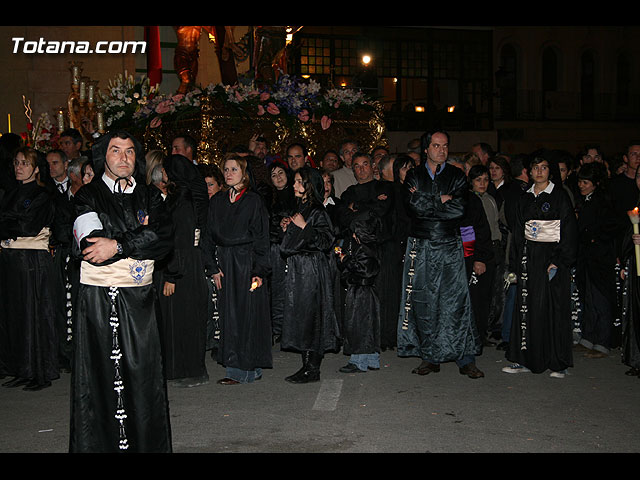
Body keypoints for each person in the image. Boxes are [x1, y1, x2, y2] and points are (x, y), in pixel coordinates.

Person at [69, 130, 173, 452]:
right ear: (104, 156)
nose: (124, 158)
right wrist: (135, 241)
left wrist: (119, 243)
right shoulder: (86, 196)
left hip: (140, 303)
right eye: (116, 151)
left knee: (144, 379)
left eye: (130, 152)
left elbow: (164, 237)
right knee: (98, 378)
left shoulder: (151, 196)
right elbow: (91, 246)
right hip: (98, 302)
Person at [397, 130, 484, 379]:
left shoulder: (457, 175)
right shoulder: (413, 174)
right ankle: (429, 356)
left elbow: (459, 209)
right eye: (436, 146)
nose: (442, 150)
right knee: (424, 302)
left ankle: (465, 357)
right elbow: (413, 207)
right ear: (426, 149)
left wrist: (428, 201)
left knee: (457, 301)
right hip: (421, 245)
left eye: (445, 146)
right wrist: (440, 200)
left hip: (449, 245)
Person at [503, 155, 577, 378]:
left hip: (550, 262)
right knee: (526, 309)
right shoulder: (524, 198)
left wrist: (559, 261)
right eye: (535, 168)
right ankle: (525, 359)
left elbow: (569, 231)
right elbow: (517, 232)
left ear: (550, 171)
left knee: (553, 311)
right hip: (528, 261)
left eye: (544, 167)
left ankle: (557, 363)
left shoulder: (559, 197)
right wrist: (514, 264)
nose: (539, 172)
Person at [202, 155, 272, 385]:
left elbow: (262, 238)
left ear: (244, 172)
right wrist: (212, 267)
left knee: (248, 314)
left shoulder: (253, 201)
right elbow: (207, 236)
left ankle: (245, 369)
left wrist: (259, 271)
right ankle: (238, 368)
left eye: (234, 169)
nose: (228, 173)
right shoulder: (217, 201)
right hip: (225, 263)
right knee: (229, 315)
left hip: (247, 262)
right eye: (225, 169)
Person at [0, 147, 58, 391]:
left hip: (31, 261)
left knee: (33, 313)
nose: (18, 167)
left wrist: (8, 222)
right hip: (11, 261)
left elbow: (28, 225)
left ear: (35, 169)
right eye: (16, 162)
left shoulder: (42, 194)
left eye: (24, 163)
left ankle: (39, 371)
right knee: (15, 315)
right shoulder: (12, 193)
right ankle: (21, 367)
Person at [280, 166, 339, 383]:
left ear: (309, 185)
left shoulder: (317, 211)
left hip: (312, 271)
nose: (294, 185)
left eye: (298, 182)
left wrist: (304, 227)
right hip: (299, 271)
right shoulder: (301, 207)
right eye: (294, 181)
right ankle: (306, 365)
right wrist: (288, 227)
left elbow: (326, 241)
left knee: (313, 318)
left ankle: (312, 368)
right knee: (302, 317)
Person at [156, 154, 210, 387]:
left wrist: (172, 275)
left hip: (183, 267)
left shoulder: (183, 199)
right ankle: (178, 369)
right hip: (186, 264)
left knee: (185, 319)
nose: (163, 175)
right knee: (179, 319)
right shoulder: (182, 196)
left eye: (166, 170)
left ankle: (191, 370)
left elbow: (180, 239)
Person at [337, 152, 397, 351]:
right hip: (359, 249)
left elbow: (381, 212)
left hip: (383, 248)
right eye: (356, 166)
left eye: (365, 164)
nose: (361, 169)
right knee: (360, 297)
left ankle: (384, 338)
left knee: (385, 295)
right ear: (352, 169)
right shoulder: (348, 193)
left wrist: (359, 207)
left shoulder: (386, 187)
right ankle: (362, 339)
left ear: (373, 167)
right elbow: (344, 217)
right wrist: (369, 207)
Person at [574, 162, 618, 358]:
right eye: (580, 182)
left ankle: (602, 342)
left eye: (585, 182)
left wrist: (593, 238)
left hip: (599, 259)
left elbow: (609, 229)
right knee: (588, 298)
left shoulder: (604, 202)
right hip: (586, 258)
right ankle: (588, 337)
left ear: (596, 183)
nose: (581, 186)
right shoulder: (586, 201)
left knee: (601, 299)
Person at [338, 212, 382, 373]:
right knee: (369, 325)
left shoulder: (365, 250)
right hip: (368, 291)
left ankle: (358, 361)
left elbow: (364, 269)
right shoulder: (373, 248)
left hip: (361, 292)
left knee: (358, 326)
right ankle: (372, 359)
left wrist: (345, 260)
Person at [465, 165, 500, 347]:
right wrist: (478, 257)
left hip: (492, 250)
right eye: (478, 180)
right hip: (480, 252)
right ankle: (475, 334)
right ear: (471, 181)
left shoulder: (490, 199)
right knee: (476, 297)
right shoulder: (471, 201)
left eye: (486, 180)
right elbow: (472, 232)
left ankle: (482, 332)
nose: (483, 183)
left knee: (487, 296)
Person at [266, 161, 297, 343]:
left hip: (294, 248)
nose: (278, 177)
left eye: (280, 173)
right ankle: (277, 328)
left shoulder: (296, 195)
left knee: (292, 289)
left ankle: (290, 329)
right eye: (273, 175)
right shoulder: (268, 198)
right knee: (277, 289)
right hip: (276, 248)